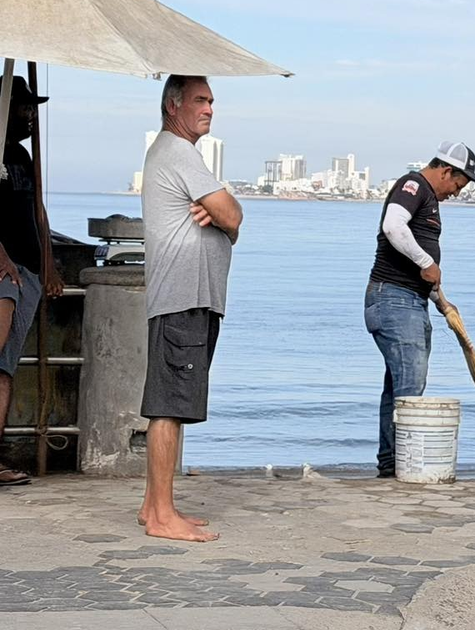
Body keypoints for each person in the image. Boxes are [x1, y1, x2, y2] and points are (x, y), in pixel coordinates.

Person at [139, 75, 243, 542]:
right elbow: (234, 216)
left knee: (175, 403)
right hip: (183, 295)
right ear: (172, 106)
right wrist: (223, 217)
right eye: (201, 100)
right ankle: (162, 516)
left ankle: (152, 506)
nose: (210, 108)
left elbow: (227, 218)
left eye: (212, 100)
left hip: (189, 296)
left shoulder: (181, 155)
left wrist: (221, 218)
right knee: (168, 406)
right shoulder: (178, 153)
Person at [366, 142, 475, 478]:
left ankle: (391, 465)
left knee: (398, 387)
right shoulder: (413, 186)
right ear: (446, 171)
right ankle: (406, 467)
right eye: (458, 185)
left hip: (408, 300)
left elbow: (420, 268)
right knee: (410, 389)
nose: (457, 193)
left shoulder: (428, 199)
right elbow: (393, 227)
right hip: (394, 301)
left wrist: (442, 302)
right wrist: (426, 260)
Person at [1, 76, 64, 486]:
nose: (30, 115)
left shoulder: (22, 158)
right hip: (2, 269)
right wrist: (2, 255)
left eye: (32, 108)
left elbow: (36, 209)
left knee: (5, 369)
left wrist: (50, 263)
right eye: (23, 107)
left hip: (26, 270)